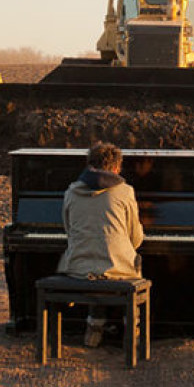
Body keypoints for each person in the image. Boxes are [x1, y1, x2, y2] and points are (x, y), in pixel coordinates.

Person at [57, 142, 144, 347]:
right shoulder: (125, 192)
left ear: (89, 165)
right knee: (127, 264)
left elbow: (69, 231)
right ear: (116, 168)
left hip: (78, 269)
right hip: (116, 268)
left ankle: (94, 328)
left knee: (93, 265)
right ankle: (132, 330)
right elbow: (136, 239)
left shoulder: (71, 191)